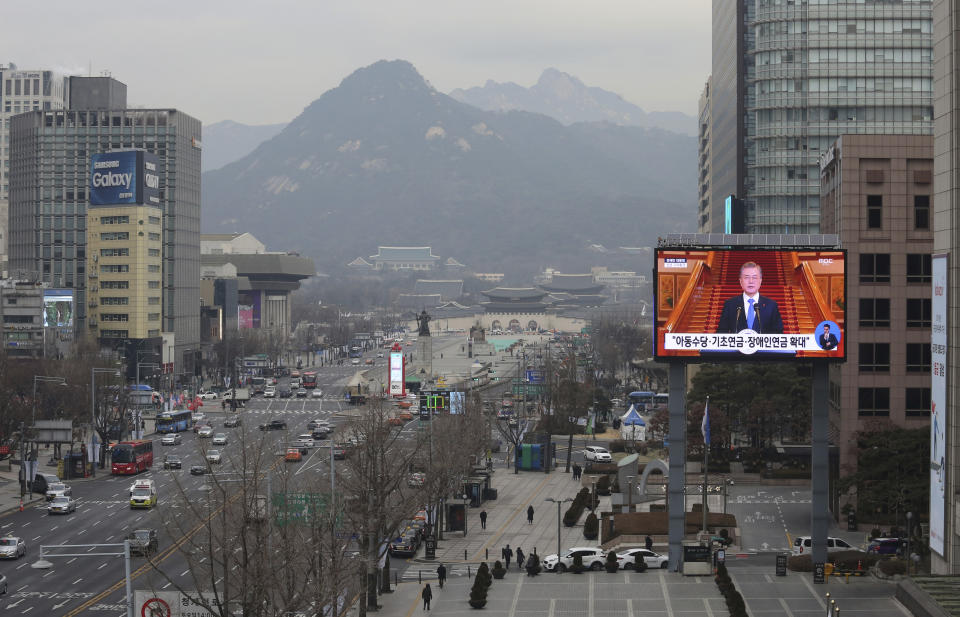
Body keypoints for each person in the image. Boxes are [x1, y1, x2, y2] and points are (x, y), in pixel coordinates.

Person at [716, 261, 784, 334]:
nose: (751, 281)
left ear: (760, 281)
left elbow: (778, 334)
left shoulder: (771, 305)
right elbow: (721, 333)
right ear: (740, 281)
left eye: (754, 277)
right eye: (746, 277)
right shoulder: (730, 304)